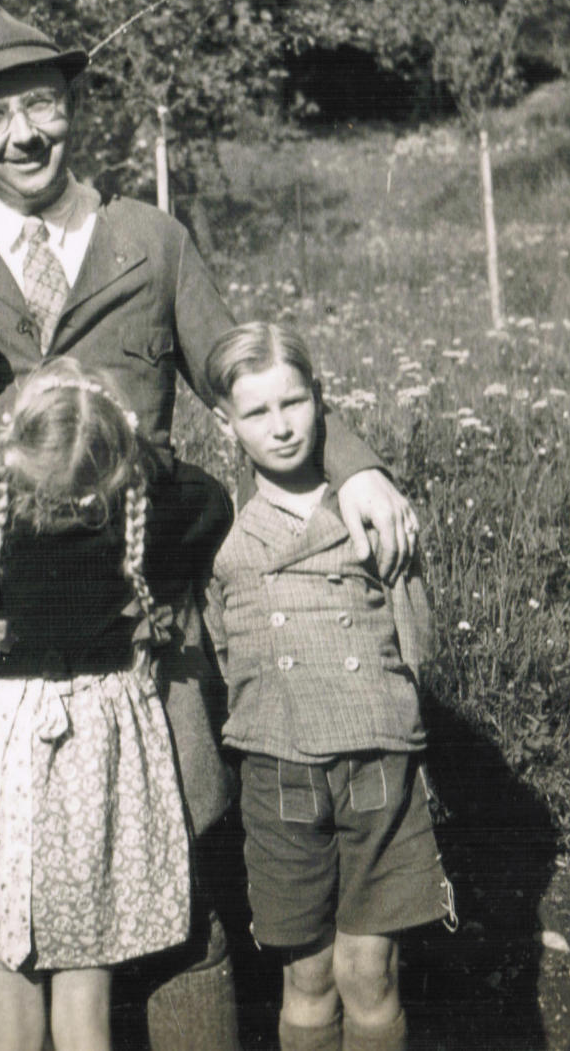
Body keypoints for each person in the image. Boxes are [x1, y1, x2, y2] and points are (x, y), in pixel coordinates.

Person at [0, 0, 422, 1051]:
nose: (22, 134)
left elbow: (238, 375)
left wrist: (357, 468)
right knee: (10, 929)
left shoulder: (148, 240)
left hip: (140, 638)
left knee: (175, 912)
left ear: (71, 103)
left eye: (40, 103)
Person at [0, 358, 233, 1051]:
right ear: (117, 463)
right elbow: (210, 497)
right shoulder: (142, 532)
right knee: (85, 1020)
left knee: (8, 1023)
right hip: (92, 784)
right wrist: (133, 443)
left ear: (12, 453)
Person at [202, 324, 456, 1051]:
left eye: (295, 403)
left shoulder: (370, 508)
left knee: (369, 974)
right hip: (277, 768)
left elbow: (416, 639)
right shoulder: (220, 530)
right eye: (256, 413)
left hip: (375, 762)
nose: (281, 427)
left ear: (322, 402)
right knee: (306, 980)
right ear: (225, 424)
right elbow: (220, 648)